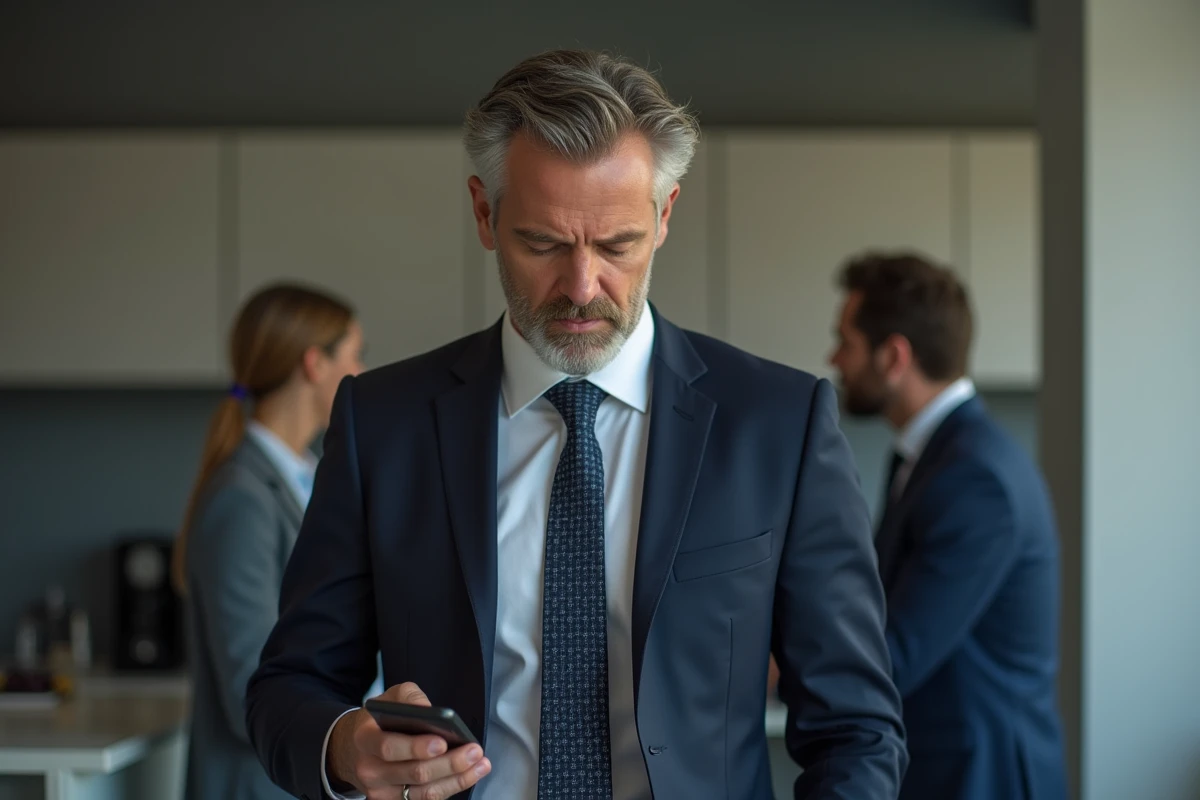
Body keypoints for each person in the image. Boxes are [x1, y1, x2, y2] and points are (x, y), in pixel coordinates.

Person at [246, 49, 906, 800]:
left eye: (618, 245)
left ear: (664, 215)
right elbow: (287, 687)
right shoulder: (383, 424)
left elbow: (857, 729)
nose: (583, 286)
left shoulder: (780, 425)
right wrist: (344, 747)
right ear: (484, 212)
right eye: (544, 243)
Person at [828, 253, 1068, 800]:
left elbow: (896, 653)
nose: (834, 358)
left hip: (984, 778)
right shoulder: (939, 458)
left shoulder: (974, 478)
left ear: (894, 356)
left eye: (846, 341)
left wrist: (772, 668)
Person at [172, 283, 365, 800]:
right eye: (354, 355)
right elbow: (250, 692)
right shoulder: (242, 500)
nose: (362, 372)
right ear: (314, 364)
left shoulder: (304, 478)